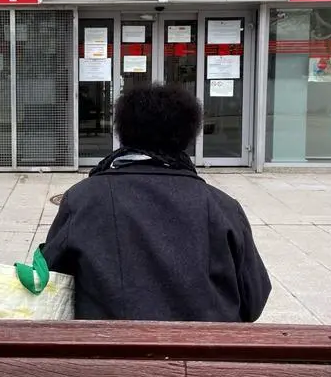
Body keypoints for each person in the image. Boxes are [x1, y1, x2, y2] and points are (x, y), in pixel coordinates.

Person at [42, 83, 271, 322]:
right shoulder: (223, 206)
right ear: (188, 136)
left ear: (123, 132)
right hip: (205, 345)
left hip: (113, 345)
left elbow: (50, 280)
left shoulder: (82, 199)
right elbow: (253, 301)